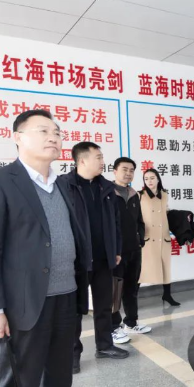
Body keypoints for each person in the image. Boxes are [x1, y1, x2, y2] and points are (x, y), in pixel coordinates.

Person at [0, 109, 90, 387]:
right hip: (23, 307)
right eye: (43, 131)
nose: (54, 137)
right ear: (17, 137)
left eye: (57, 132)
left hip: (65, 300)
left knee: (58, 383)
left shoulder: (63, 185)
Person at [61, 142, 128, 374]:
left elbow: (116, 223)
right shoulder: (64, 186)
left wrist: (116, 250)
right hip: (77, 260)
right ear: (82, 160)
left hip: (103, 258)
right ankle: (71, 355)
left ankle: (105, 345)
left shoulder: (106, 187)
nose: (102, 161)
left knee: (104, 305)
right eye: (98, 157)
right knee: (74, 310)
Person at [112, 157, 151, 335]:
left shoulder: (134, 194)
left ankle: (131, 322)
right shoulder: (108, 194)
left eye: (131, 170)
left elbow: (139, 221)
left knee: (132, 287)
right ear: (115, 171)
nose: (128, 173)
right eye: (124, 169)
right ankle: (113, 327)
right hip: (116, 252)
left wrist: (139, 240)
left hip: (134, 250)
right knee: (114, 290)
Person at [139, 168, 178, 306]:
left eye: (152, 178)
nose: (149, 181)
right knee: (143, 270)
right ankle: (131, 297)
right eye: (146, 179)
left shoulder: (164, 194)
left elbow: (166, 212)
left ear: (158, 179)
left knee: (165, 268)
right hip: (149, 238)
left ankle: (167, 295)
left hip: (163, 237)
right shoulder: (140, 195)